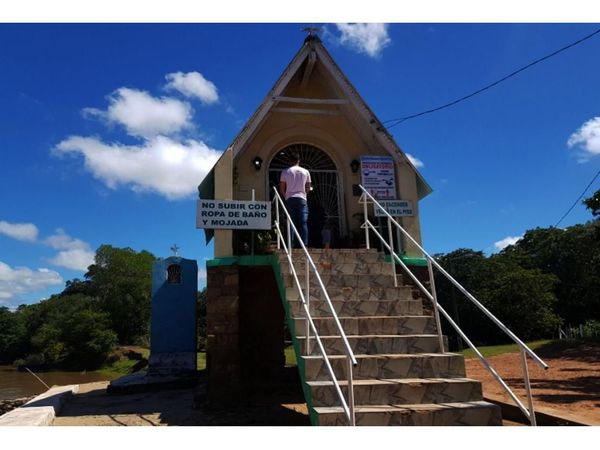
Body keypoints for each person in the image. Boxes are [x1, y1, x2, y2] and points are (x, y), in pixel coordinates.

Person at [279, 152, 311, 248]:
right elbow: (308, 187)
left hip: (290, 199)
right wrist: (304, 194)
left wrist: (286, 196)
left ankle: (291, 243)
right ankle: (304, 243)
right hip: (301, 199)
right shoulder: (306, 172)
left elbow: (282, 187)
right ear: (298, 161)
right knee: (303, 222)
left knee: (290, 221)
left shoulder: (285, 171)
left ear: (290, 161)